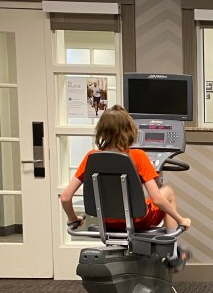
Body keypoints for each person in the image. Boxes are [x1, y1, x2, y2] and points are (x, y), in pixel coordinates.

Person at [60, 105, 192, 269]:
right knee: (168, 192)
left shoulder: (91, 157)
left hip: (105, 221)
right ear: (130, 130)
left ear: (101, 130)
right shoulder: (138, 156)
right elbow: (157, 199)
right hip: (137, 220)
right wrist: (181, 220)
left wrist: (73, 219)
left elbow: (65, 197)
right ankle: (172, 254)